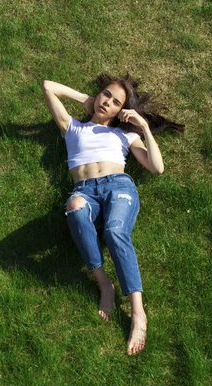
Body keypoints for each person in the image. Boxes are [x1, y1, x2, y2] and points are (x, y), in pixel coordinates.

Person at [41, 74, 184, 355]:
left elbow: (157, 168)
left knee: (115, 231)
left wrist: (143, 126)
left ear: (122, 111)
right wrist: (89, 100)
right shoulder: (72, 128)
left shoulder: (124, 134)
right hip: (84, 189)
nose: (107, 102)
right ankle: (105, 285)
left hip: (118, 186)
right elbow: (48, 86)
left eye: (115, 102)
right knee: (74, 208)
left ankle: (138, 313)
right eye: (106, 95)